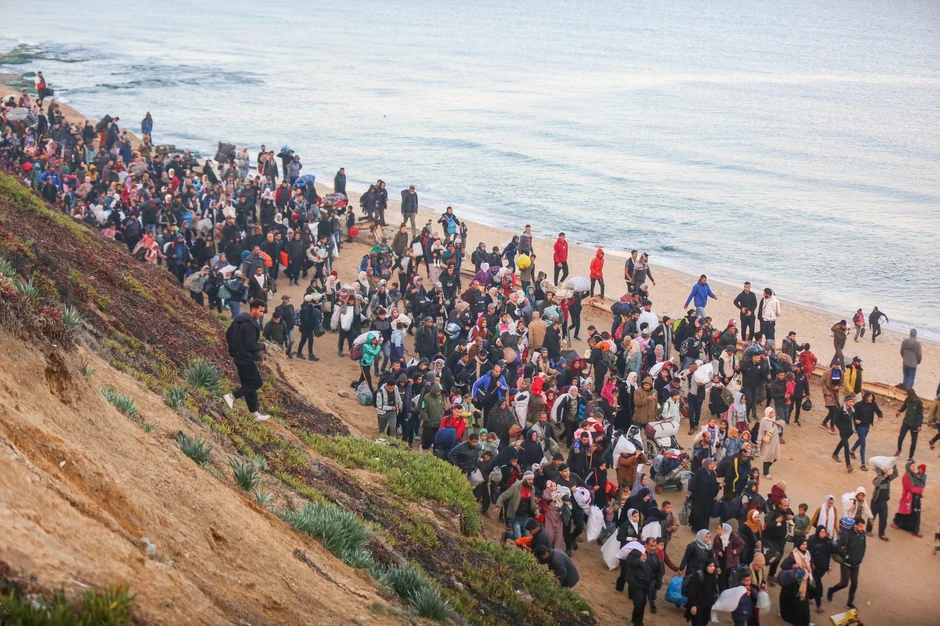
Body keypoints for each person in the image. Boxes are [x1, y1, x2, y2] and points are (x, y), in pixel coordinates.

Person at [223, 300, 271, 421]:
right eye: (260, 311)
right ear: (253, 309)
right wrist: (263, 345)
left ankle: (255, 414)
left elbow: (228, 334)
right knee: (256, 383)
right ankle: (231, 396)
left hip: (238, 357)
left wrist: (235, 348)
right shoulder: (249, 324)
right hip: (245, 359)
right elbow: (251, 345)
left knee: (248, 385)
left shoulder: (239, 319)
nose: (261, 314)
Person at [827, 517, 867, 610]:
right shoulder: (847, 535)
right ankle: (831, 590)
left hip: (856, 563)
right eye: (860, 526)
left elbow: (864, 546)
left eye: (863, 526)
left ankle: (850, 603)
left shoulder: (862, 534)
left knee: (854, 583)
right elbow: (838, 547)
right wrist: (846, 557)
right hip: (846, 564)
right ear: (855, 525)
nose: (862, 528)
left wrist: (861, 557)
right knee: (844, 583)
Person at [778, 537, 813, 626]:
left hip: (803, 582)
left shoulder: (807, 554)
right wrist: (793, 566)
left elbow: (808, 563)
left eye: (805, 544)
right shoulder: (793, 555)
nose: (804, 546)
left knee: (802, 602)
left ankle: (804, 621)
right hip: (793, 584)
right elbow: (783, 565)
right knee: (792, 601)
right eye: (802, 544)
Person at [891, 460, 927, 537]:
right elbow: (910, 488)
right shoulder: (906, 476)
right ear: (908, 467)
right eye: (911, 466)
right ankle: (907, 527)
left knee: (913, 513)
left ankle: (914, 529)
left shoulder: (913, 475)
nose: (913, 468)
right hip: (908, 498)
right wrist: (920, 490)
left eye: (914, 466)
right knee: (907, 512)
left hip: (914, 497)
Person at [850, 391, 882, 471]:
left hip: (867, 426)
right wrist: (855, 419)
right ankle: (863, 464)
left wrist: (880, 416)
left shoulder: (873, 404)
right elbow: (852, 411)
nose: (871, 398)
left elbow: (878, 411)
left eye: (872, 397)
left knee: (861, 440)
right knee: (863, 443)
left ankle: (852, 450)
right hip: (860, 426)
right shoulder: (859, 404)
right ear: (866, 397)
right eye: (869, 397)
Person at [687, 458, 720, 532]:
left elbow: (714, 484)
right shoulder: (700, 472)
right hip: (698, 497)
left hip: (708, 499)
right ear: (707, 464)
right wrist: (690, 492)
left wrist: (719, 486)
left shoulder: (713, 474)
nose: (712, 465)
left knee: (706, 513)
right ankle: (695, 528)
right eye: (711, 464)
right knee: (697, 513)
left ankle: (704, 528)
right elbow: (693, 482)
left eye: (713, 464)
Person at [807, 525, 833, 614]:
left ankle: (809, 597)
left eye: (824, 532)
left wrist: (844, 555)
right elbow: (807, 552)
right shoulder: (811, 541)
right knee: (818, 585)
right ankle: (819, 605)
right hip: (813, 567)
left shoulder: (827, 541)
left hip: (822, 568)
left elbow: (832, 551)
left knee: (813, 583)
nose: (823, 534)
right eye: (821, 532)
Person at [870, 464, 899, 541]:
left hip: (883, 502)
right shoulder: (876, 479)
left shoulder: (888, 479)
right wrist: (881, 475)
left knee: (884, 518)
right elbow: (876, 483)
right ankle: (868, 530)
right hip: (875, 502)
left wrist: (894, 466)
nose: (887, 472)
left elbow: (896, 474)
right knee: (872, 517)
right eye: (885, 471)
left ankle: (882, 534)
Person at [895, 388, 924, 459]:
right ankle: (899, 450)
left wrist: (919, 425)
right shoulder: (907, 399)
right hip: (906, 422)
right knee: (901, 437)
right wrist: (899, 411)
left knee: (913, 441)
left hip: (915, 425)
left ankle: (911, 456)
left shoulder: (918, 402)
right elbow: (904, 407)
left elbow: (920, 415)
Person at [756, 407, 783, 479]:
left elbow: (784, 424)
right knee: (767, 457)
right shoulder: (764, 421)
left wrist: (779, 423)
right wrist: (759, 441)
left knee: (775, 457)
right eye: (770, 413)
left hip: (775, 441)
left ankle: (766, 467)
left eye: (773, 412)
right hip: (767, 442)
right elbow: (761, 431)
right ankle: (766, 472)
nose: (772, 414)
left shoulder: (776, 419)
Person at [831, 396, 856, 473]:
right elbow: (836, 421)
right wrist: (841, 429)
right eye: (849, 401)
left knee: (842, 442)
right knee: (846, 447)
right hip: (843, 432)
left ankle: (835, 454)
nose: (851, 403)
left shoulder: (853, 410)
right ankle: (848, 465)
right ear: (846, 402)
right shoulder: (840, 410)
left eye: (852, 401)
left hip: (850, 431)